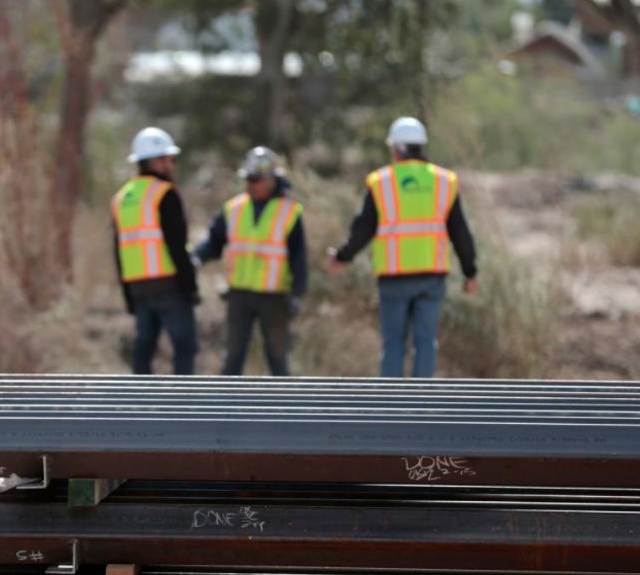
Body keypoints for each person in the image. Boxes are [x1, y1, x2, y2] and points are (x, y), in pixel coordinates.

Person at [325, 116, 478, 378]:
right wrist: (470, 272)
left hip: (394, 277)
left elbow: (363, 228)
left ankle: (390, 407)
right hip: (432, 276)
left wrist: (342, 257)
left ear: (396, 148)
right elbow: (460, 231)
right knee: (425, 342)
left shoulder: (382, 181)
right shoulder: (444, 181)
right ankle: (421, 406)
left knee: (394, 343)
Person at [194, 146, 307, 376]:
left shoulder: (289, 212)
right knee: (232, 358)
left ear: (272, 180)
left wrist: (297, 293)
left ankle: (284, 408)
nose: (250, 184)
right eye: (248, 179)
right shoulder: (234, 208)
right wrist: (194, 258)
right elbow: (214, 243)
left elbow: (299, 258)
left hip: (273, 297)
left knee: (277, 358)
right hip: (239, 294)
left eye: (256, 179)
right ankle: (226, 409)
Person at [111, 126, 200, 374]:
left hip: (138, 287)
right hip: (169, 284)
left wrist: (127, 293)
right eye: (169, 159)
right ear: (157, 161)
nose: (172, 165)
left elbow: (118, 251)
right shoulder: (164, 194)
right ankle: (183, 404)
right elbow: (177, 246)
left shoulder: (121, 197)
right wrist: (190, 286)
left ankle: (140, 406)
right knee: (184, 347)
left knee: (144, 348)